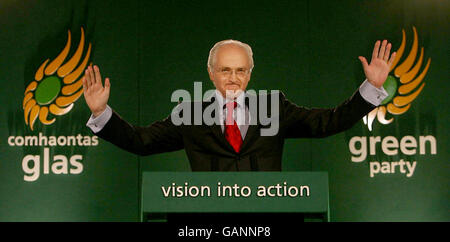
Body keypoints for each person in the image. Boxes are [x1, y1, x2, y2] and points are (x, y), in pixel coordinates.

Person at [83, 39, 395, 224]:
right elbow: (141, 141)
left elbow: (330, 122)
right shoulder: (189, 112)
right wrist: (101, 113)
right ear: (211, 73)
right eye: (225, 70)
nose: (233, 78)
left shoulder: (275, 106)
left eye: (240, 70)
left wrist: (372, 88)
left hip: (270, 221)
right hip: (204, 225)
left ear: (249, 73)